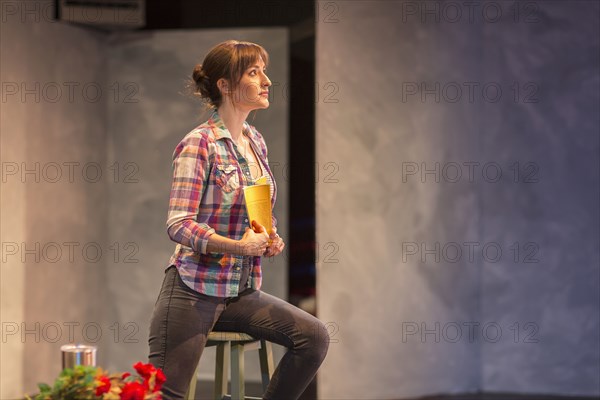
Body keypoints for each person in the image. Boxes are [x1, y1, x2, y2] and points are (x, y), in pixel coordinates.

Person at [148, 40, 330, 400]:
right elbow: (179, 224)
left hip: (239, 290)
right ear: (225, 85)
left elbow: (257, 210)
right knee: (166, 396)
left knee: (313, 338)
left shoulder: (254, 141)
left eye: (263, 70)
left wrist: (270, 235)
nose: (267, 80)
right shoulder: (199, 144)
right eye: (253, 72)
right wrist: (238, 246)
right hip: (192, 291)